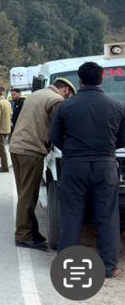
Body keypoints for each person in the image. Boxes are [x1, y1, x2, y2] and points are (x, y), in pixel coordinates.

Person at [50, 62, 125, 279]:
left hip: (74, 166)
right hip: (105, 166)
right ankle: (109, 268)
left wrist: (73, 151)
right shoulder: (118, 106)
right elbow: (122, 139)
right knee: (107, 216)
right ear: (101, 79)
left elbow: (55, 138)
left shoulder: (66, 106)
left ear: (80, 81)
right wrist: (106, 149)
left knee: (71, 215)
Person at [9, 78, 76, 251]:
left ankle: (32, 232)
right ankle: (23, 236)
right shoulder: (56, 100)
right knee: (28, 195)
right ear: (66, 90)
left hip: (17, 147)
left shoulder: (37, 94)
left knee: (24, 191)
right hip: (31, 150)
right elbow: (59, 128)